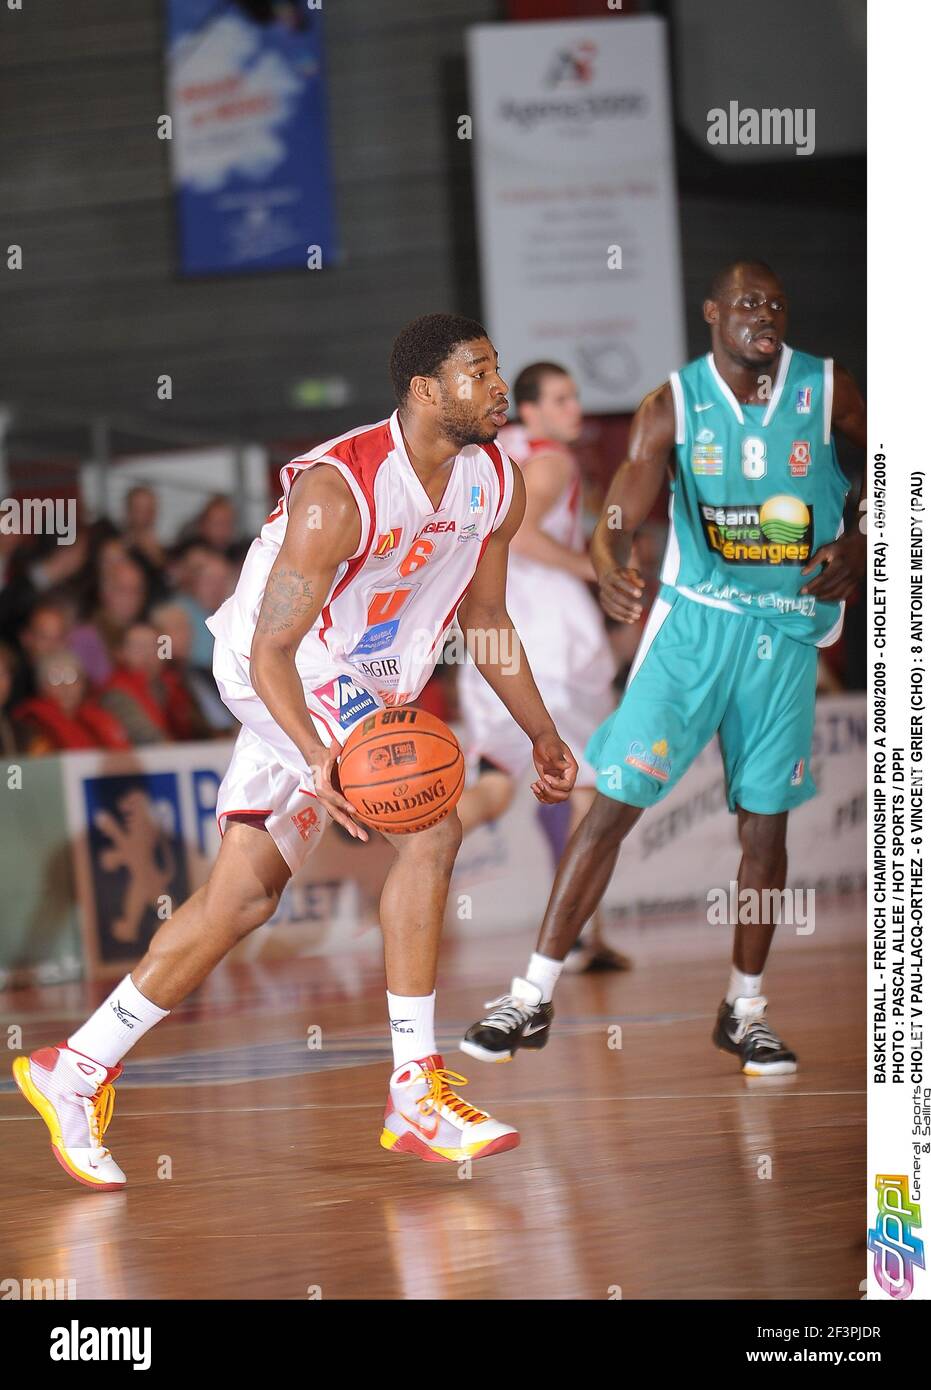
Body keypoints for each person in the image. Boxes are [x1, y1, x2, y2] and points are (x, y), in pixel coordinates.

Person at [13, 312, 578, 1187]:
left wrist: (542, 729)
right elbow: (273, 649)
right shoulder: (340, 489)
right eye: (479, 372)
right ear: (427, 391)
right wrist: (319, 755)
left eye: (497, 369)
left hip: (369, 678)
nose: (497, 387)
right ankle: (413, 1089)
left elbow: (487, 619)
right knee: (429, 827)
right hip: (282, 660)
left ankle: (76, 1067)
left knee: (243, 897)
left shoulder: (495, 482)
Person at [462, 262, 866, 1076]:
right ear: (712, 313)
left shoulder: (827, 389)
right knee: (609, 802)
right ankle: (532, 994)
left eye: (776, 303)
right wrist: (608, 559)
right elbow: (620, 503)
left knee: (764, 826)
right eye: (747, 302)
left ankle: (743, 1009)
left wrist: (860, 537)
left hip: (784, 632)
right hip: (691, 626)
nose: (764, 314)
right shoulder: (672, 403)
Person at [455, 361, 628, 975]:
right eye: (559, 399)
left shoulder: (479, 455)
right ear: (528, 411)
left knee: (496, 785)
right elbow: (521, 536)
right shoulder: (553, 459)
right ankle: (578, 935)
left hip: (488, 636)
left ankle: (414, 846)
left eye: (574, 397)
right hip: (546, 641)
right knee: (588, 787)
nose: (572, 409)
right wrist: (594, 570)